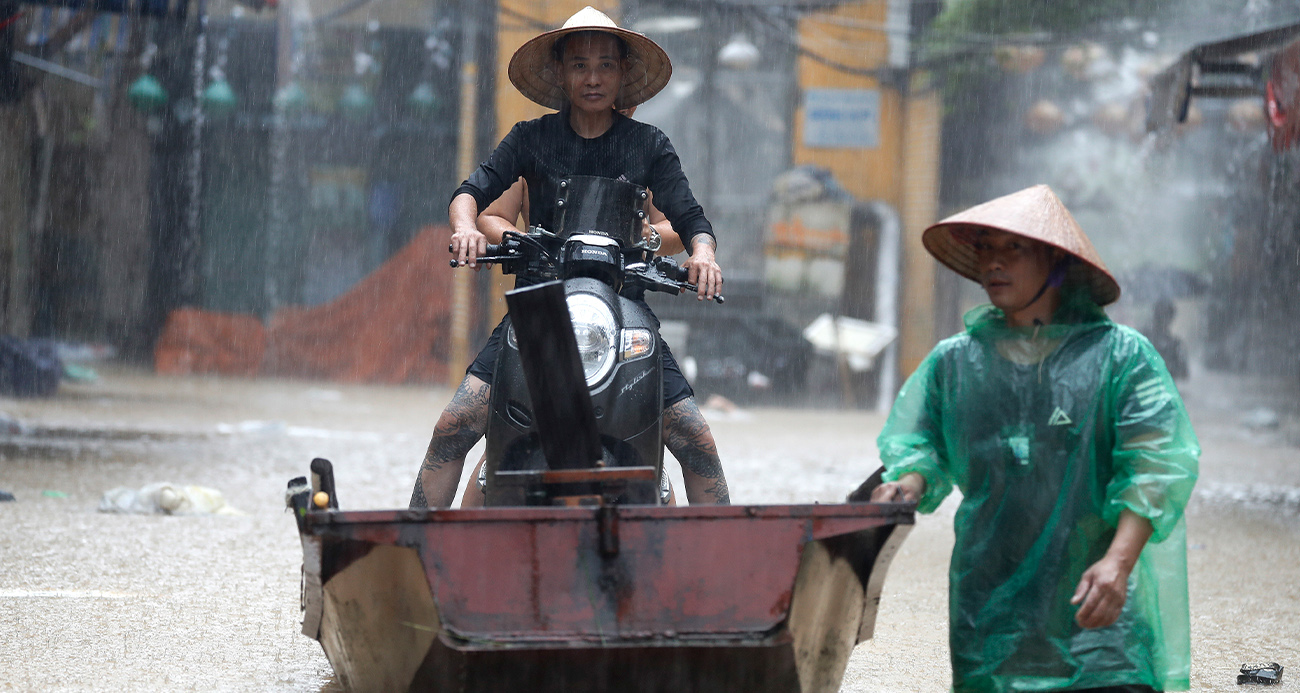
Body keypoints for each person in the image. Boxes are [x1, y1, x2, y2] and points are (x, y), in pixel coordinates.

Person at [870, 185, 1199, 693]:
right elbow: (920, 444)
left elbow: (1157, 465)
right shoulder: (955, 362)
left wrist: (1118, 562)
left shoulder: (1121, 357)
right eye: (984, 249)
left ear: (1056, 261)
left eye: (1012, 249)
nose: (993, 264)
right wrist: (907, 485)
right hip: (991, 601)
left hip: (1095, 594)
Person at [411, 6, 729, 509]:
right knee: (453, 424)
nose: (593, 77)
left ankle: (719, 575)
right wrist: (466, 228)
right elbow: (469, 192)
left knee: (698, 442)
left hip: (626, 314)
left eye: (605, 64)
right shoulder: (530, 137)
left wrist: (704, 256)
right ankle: (413, 561)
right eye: (579, 65)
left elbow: (693, 221)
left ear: (623, 74)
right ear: (560, 74)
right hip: (539, 313)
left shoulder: (650, 144)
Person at [1142, 298, 1189, 381]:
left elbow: (1184, 374)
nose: (1163, 320)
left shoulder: (1176, 345)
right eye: (1160, 316)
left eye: (1165, 316)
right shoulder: (1143, 339)